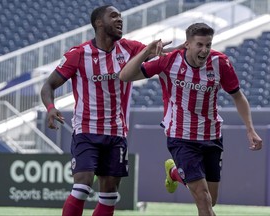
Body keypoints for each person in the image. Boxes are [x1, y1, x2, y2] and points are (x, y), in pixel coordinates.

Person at [40, 5, 175, 216]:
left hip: (117, 133)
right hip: (86, 130)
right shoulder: (78, 54)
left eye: (121, 16)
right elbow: (48, 85)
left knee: (110, 194)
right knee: (82, 186)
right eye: (114, 16)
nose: (120, 19)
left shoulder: (129, 48)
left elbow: (159, 53)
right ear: (99, 23)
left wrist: (186, 47)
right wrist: (50, 108)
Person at [119, 22, 263, 216]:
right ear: (187, 44)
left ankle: (174, 173)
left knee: (211, 199)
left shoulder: (221, 63)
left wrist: (250, 128)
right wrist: (146, 52)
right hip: (181, 136)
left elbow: (238, 96)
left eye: (208, 45)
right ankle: (178, 171)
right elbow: (125, 76)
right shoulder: (169, 60)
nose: (204, 50)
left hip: (211, 135)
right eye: (200, 45)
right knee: (203, 199)